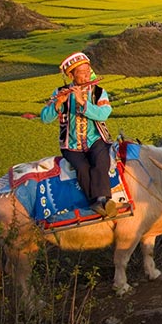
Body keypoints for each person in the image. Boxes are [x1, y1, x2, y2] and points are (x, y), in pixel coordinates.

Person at [40, 52, 116, 217]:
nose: (86, 74)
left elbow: (104, 114)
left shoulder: (98, 92)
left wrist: (83, 102)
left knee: (101, 161)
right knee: (82, 168)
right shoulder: (60, 92)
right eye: (81, 72)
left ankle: (104, 199)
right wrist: (58, 103)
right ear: (71, 75)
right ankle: (94, 202)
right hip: (71, 144)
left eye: (88, 70)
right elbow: (45, 118)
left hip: (96, 139)